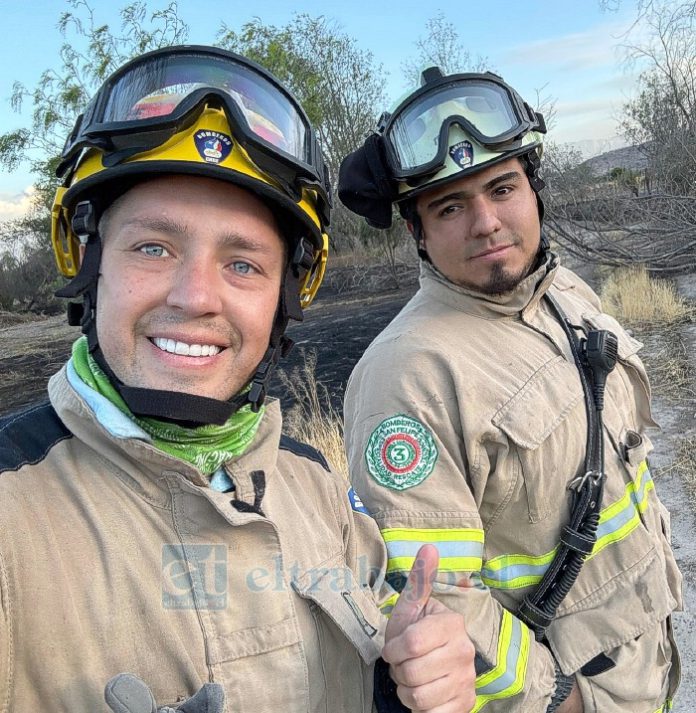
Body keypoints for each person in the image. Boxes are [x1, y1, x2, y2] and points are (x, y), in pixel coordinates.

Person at [0, 47, 476, 713]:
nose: (197, 296)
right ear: (87, 260)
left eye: (244, 264)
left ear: (286, 296)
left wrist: (414, 680)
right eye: (153, 247)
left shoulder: (312, 483)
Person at [338, 66, 683, 713]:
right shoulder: (407, 375)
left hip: (648, 663)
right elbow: (433, 603)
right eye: (450, 206)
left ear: (534, 188)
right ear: (417, 231)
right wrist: (558, 699)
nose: (487, 221)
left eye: (502, 188)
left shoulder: (565, 292)